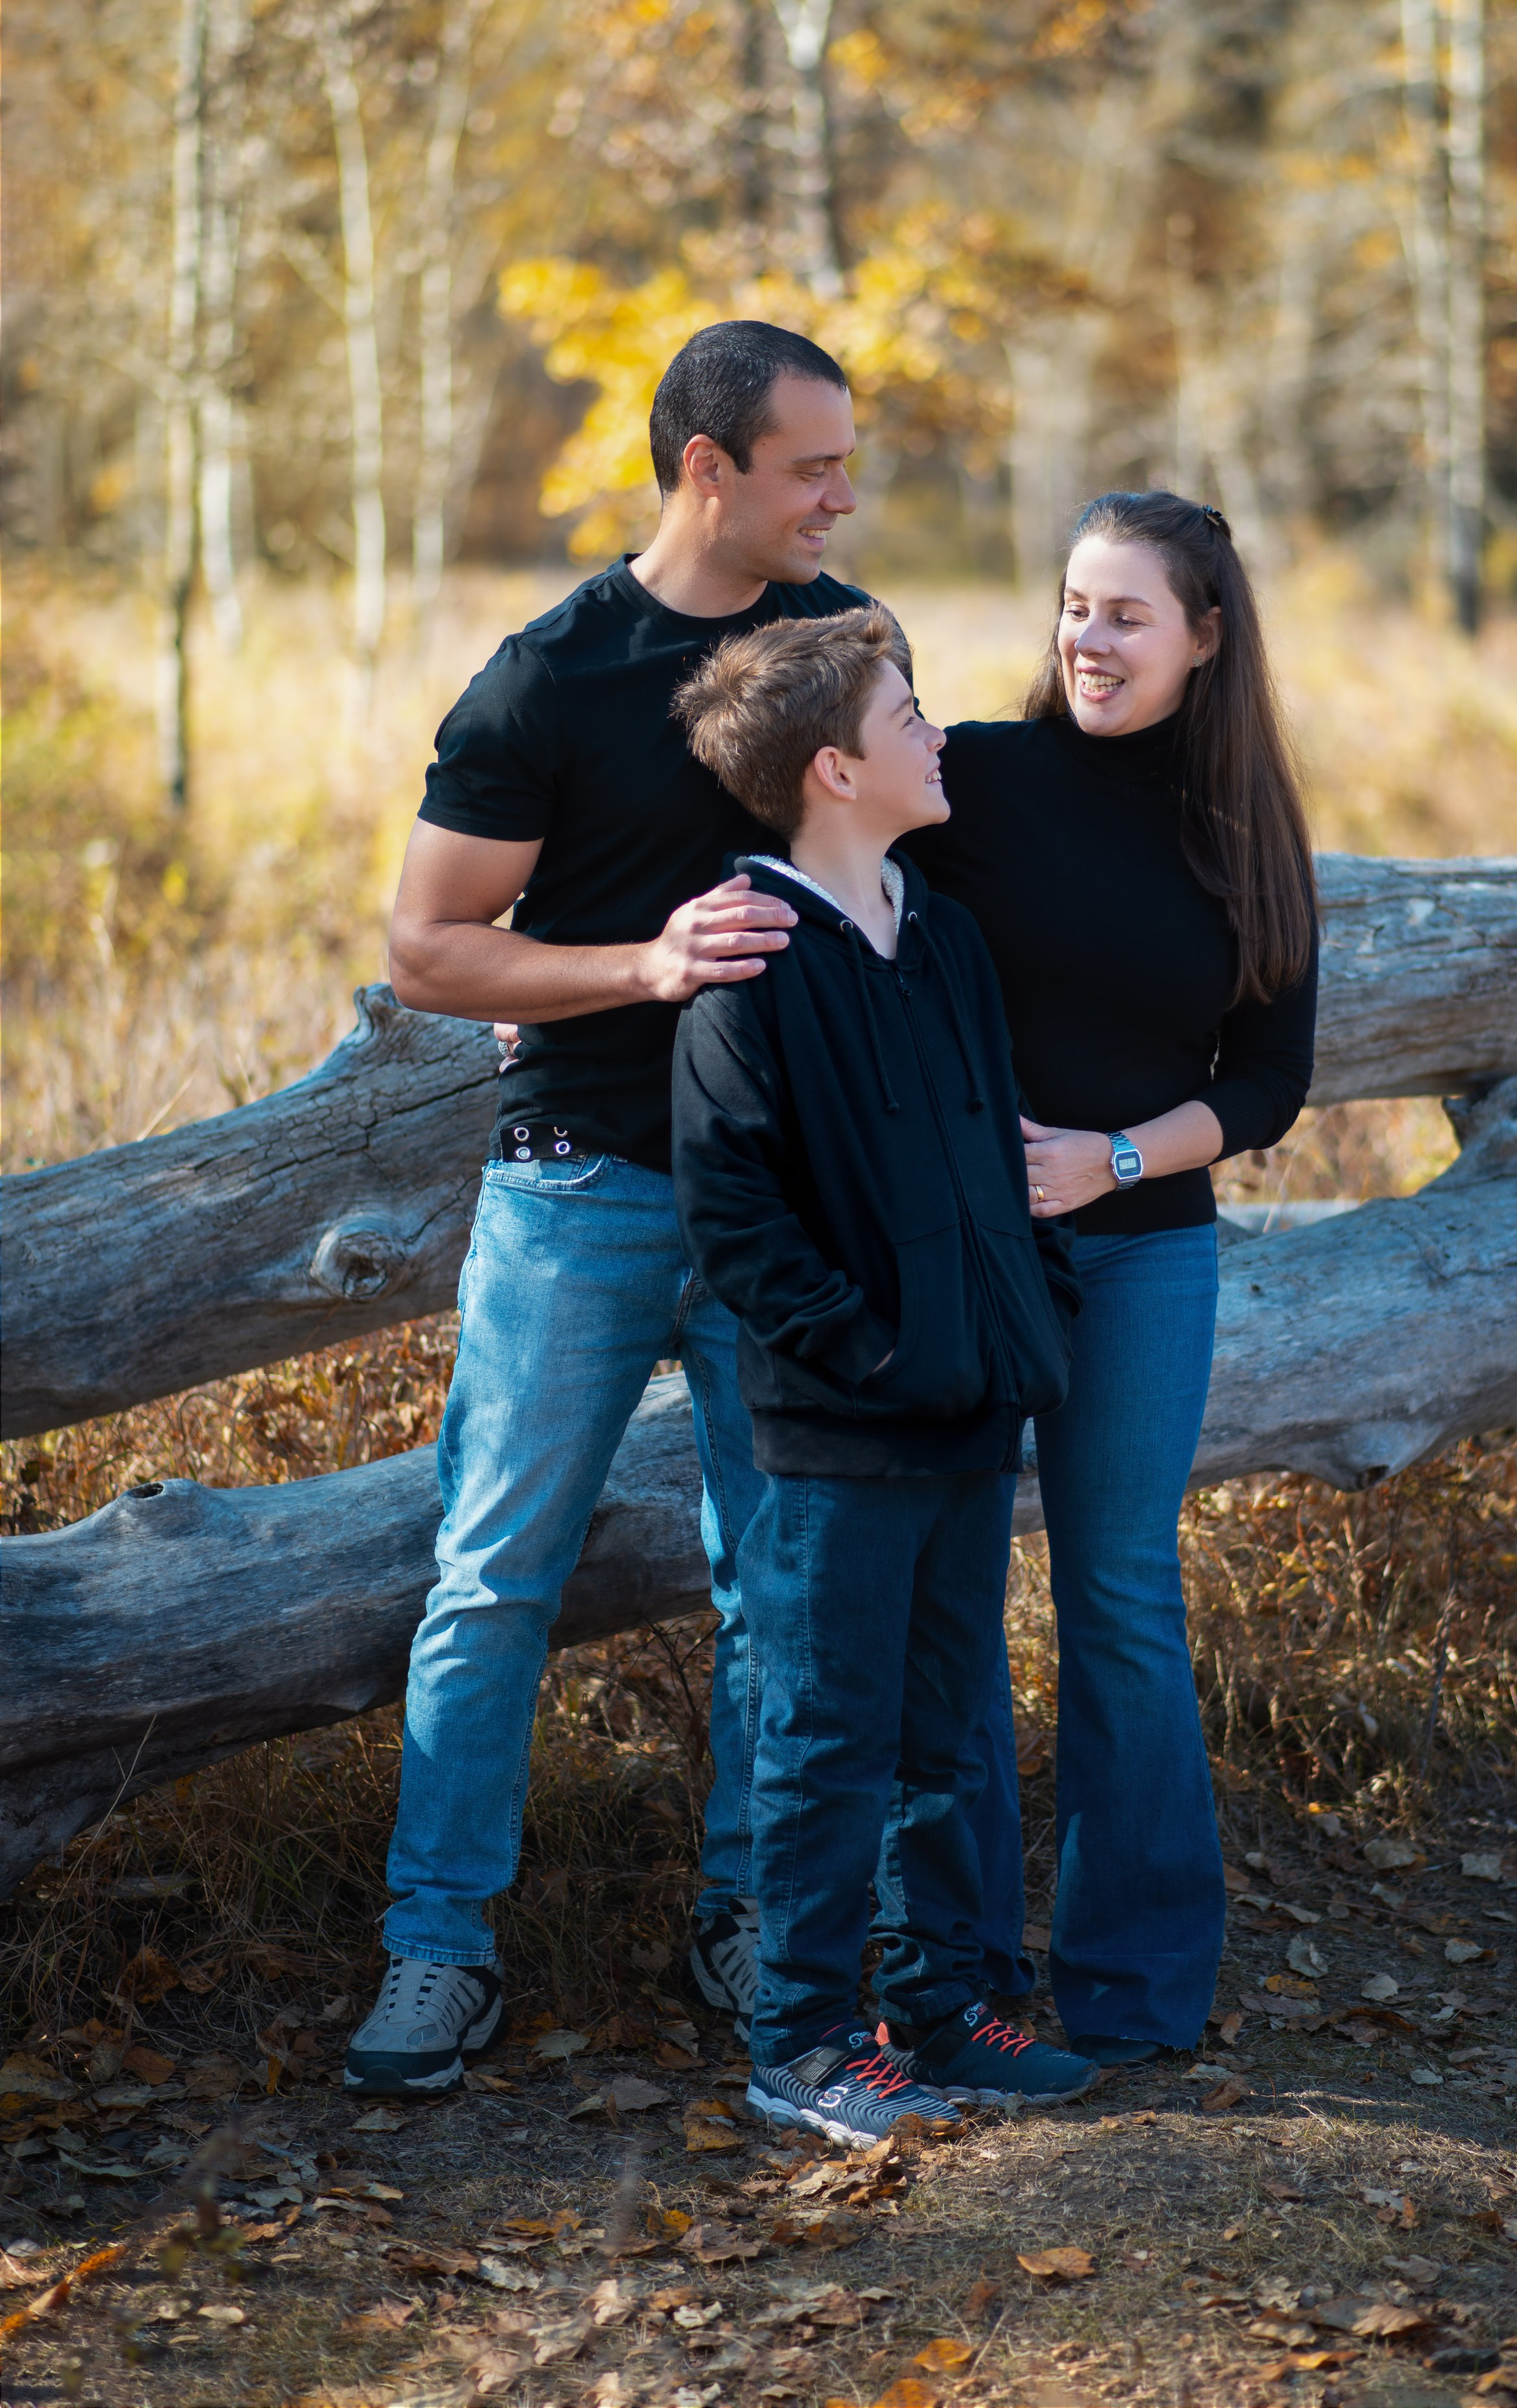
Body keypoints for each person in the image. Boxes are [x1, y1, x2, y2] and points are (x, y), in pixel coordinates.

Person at [344, 322, 877, 2097]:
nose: (839, 495)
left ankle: (752, 1918)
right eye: (810, 466)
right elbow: (428, 947)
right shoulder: (546, 680)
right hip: (581, 1189)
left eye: (844, 462)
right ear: (706, 466)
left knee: (774, 1576)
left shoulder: (842, 644)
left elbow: (891, 868)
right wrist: (640, 965)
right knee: (493, 1574)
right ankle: (437, 1950)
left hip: (784, 1199)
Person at [671, 605, 1098, 2140]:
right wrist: (876, 1353)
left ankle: (940, 2006)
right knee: (825, 1729)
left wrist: (1015, 1323)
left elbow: (1002, 1149)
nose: (939, 733)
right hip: (841, 1434)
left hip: (976, 1409)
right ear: (835, 768)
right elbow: (732, 1222)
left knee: (951, 1722)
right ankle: (797, 2039)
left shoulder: (943, 933)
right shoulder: (749, 955)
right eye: (908, 714)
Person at [916, 491, 1318, 2064]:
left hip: (1145, 1256)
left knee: (1120, 1603)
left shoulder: (1242, 836)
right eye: (1074, 605)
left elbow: (1267, 1083)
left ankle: (1136, 1988)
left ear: (1205, 638)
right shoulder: (974, 780)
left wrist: (1115, 1159)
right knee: (945, 1602)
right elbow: (812, 878)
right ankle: (948, 1973)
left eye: (1125, 614)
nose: (1086, 638)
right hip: (961, 1260)